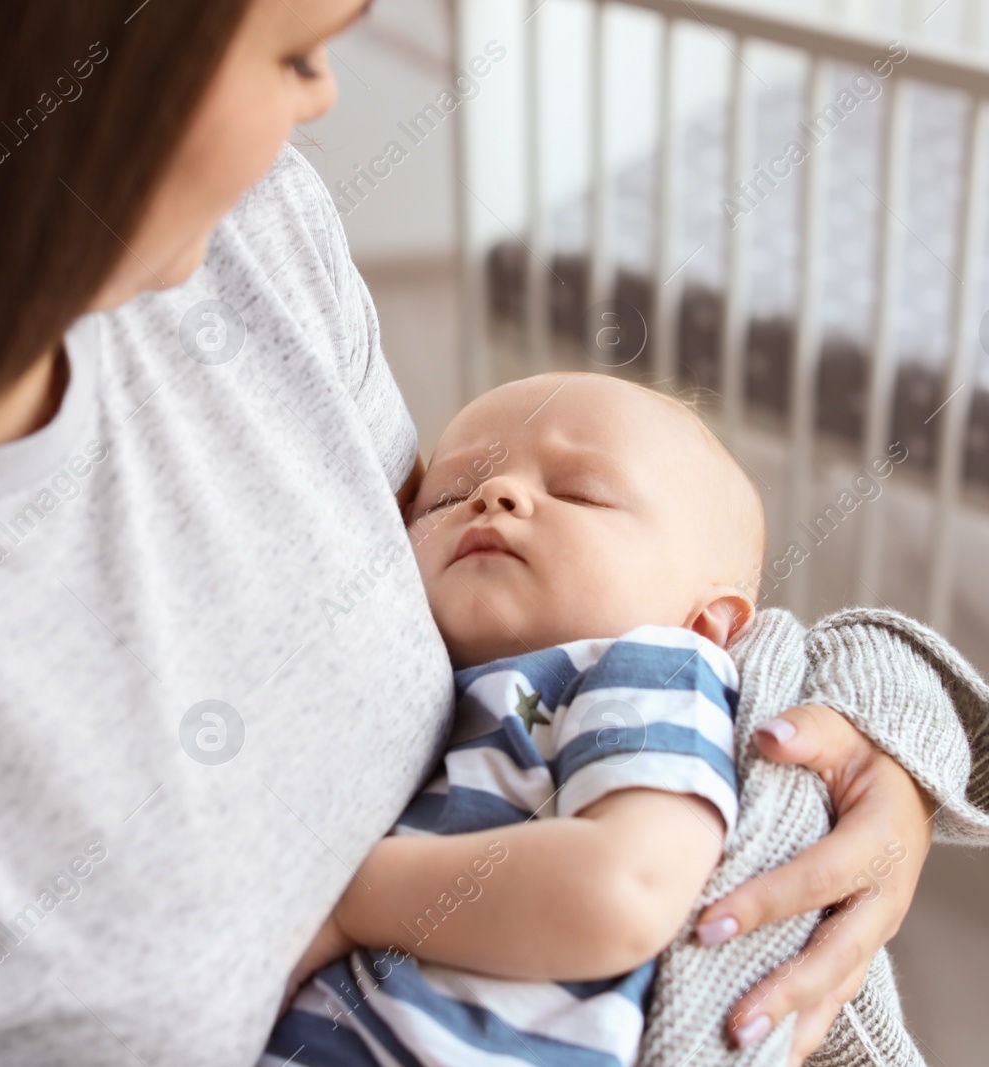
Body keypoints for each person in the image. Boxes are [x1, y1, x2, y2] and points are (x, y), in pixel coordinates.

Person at [0, 3, 989, 1065]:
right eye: (302, 54)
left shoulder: (241, 241)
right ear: (50, 77)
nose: (322, 109)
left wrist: (845, 740)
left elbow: (589, 630)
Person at [267, 372, 766, 1065]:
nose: (494, 496)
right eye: (446, 496)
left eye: (580, 492)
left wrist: (355, 899)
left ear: (706, 621)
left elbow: (625, 888)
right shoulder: (436, 690)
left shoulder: (653, 666)